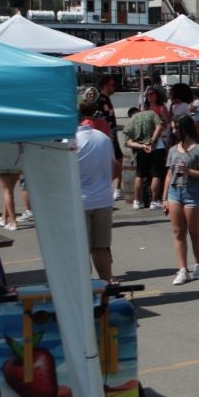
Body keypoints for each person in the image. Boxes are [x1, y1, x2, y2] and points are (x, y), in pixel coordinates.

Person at [76, 95, 117, 283]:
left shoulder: (70, 141)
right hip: (104, 199)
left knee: (81, 248)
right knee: (101, 247)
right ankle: (107, 284)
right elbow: (115, 167)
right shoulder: (102, 137)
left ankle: (86, 287)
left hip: (81, 201)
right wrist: (104, 183)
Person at [164, 115, 199, 285]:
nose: (174, 131)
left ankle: (198, 265)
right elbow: (169, 175)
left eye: (176, 128)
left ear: (185, 129)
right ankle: (182, 269)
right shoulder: (173, 150)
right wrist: (164, 198)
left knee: (194, 231)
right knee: (178, 232)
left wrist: (189, 171)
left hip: (193, 192)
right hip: (175, 192)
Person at [123, 92, 167, 211]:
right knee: (156, 175)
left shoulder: (133, 119)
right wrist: (152, 141)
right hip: (156, 148)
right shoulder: (152, 114)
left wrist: (141, 146)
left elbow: (127, 142)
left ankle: (137, 201)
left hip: (141, 150)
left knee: (139, 175)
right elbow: (160, 126)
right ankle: (154, 201)